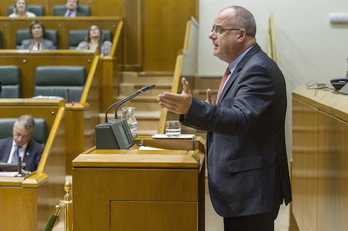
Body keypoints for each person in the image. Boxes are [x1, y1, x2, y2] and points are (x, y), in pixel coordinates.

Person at [157, 6, 292, 231]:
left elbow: (238, 119)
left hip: (252, 190)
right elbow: (236, 118)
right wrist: (212, 111)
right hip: (243, 188)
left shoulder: (258, 69)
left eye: (219, 29)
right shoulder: (242, 68)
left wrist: (194, 108)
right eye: (212, 29)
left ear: (240, 34)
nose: (211, 35)